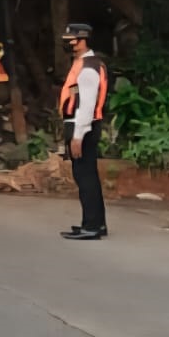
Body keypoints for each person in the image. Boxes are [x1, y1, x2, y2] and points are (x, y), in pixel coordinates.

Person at [59, 23, 108, 240]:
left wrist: (78, 135)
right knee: (88, 176)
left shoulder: (88, 68)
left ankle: (92, 226)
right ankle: (96, 223)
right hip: (82, 123)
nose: (68, 43)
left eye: (72, 39)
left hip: (84, 126)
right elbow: (76, 94)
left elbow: (87, 105)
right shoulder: (84, 64)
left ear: (84, 40)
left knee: (85, 177)